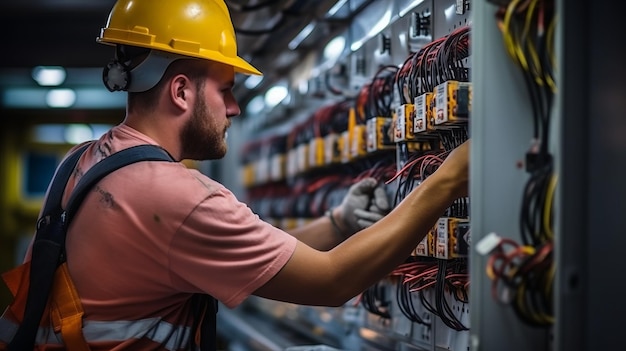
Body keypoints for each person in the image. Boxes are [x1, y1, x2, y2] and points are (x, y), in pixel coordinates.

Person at [0, 0, 470, 350]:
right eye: (225, 90)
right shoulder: (173, 195)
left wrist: (340, 222)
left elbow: (235, 252)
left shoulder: (82, 161)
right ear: (181, 92)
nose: (234, 108)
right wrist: (450, 178)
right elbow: (332, 281)